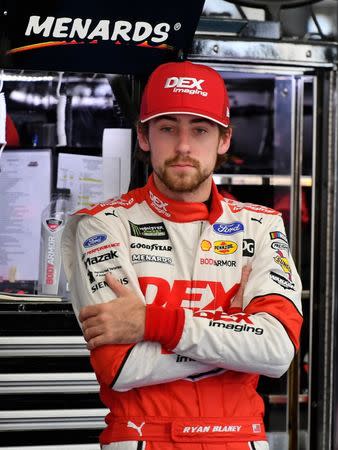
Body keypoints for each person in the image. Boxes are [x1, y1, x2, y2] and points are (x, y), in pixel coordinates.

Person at [62, 61, 303, 450]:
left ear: (224, 140)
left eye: (201, 129)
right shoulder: (102, 225)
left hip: (240, 438)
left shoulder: (261, 225)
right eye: (168, 128)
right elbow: (121, 367)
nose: (184, 146)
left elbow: (277, 353)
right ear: (144, 136)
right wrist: (239, 339)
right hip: (141, 438)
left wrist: (154, 323)